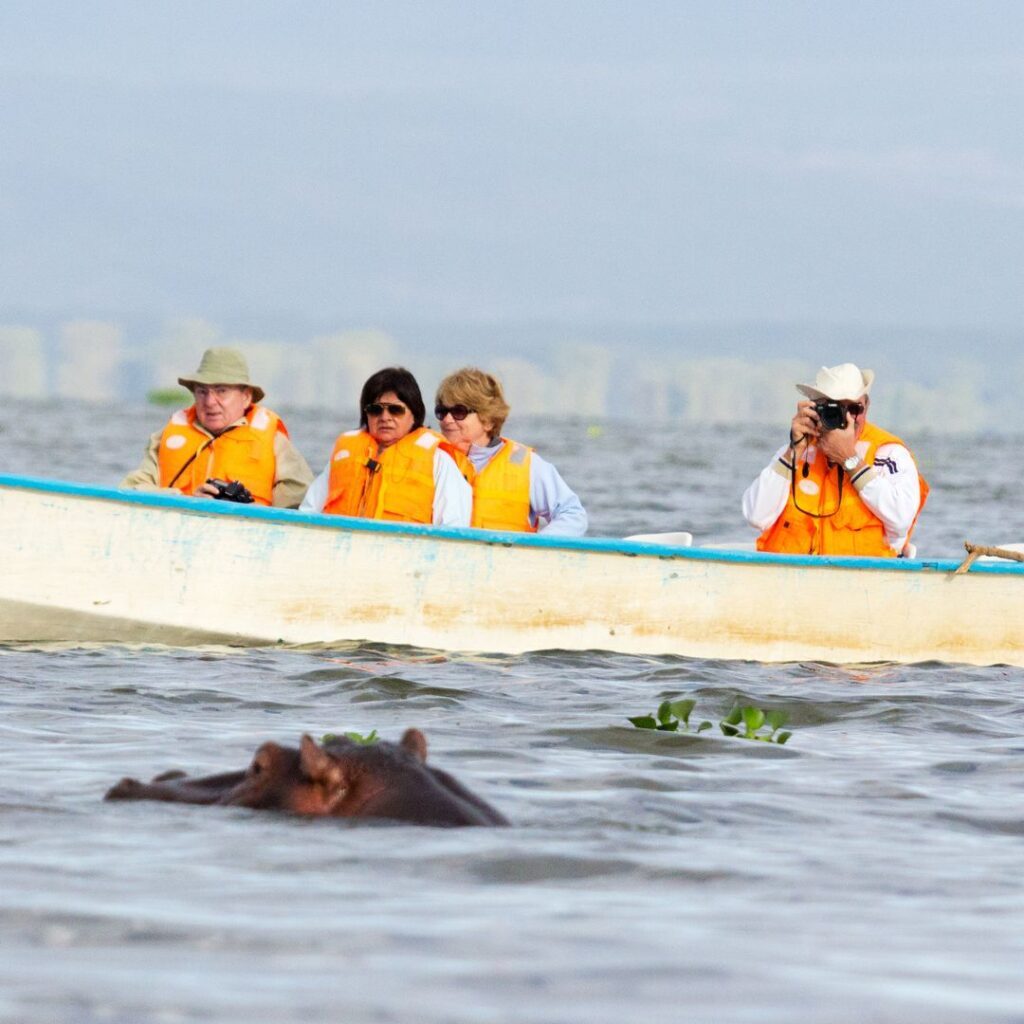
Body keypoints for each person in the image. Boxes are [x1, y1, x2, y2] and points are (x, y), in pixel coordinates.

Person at [742, 363, 928, 556]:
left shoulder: (889, 455)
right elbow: (755, 515)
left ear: (867, 405)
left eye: (855, 409)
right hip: (792, 577)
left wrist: (850, 460)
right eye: (835, 410)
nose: (847, 419)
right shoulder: (797, 450)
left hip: (863, 578)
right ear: (816, 409)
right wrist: (792, 453)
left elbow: (902, 518)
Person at [121, 347, 312, 508]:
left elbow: (302, 496)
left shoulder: (273, 440)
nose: (210, 402)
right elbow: (131, 489)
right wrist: (186, 500)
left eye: (221, 391)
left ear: (245, 397)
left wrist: (247, 509)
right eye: (202, 392)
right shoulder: (165, 436)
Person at [300, 366, 471, 527]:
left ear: (414, 414)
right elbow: (308, 513)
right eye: (375, 410)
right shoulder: (343, 457)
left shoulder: (438, 461)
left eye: (395, 410)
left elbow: (454, 527)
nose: (385, 417)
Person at [433, 367, 588, 536]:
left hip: (508, 559)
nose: (447, 420)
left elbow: (573, 515)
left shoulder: (527, 465)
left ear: (488, 420)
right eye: (441, 412)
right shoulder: (431, 460)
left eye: (458, 412)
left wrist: (534, 549)